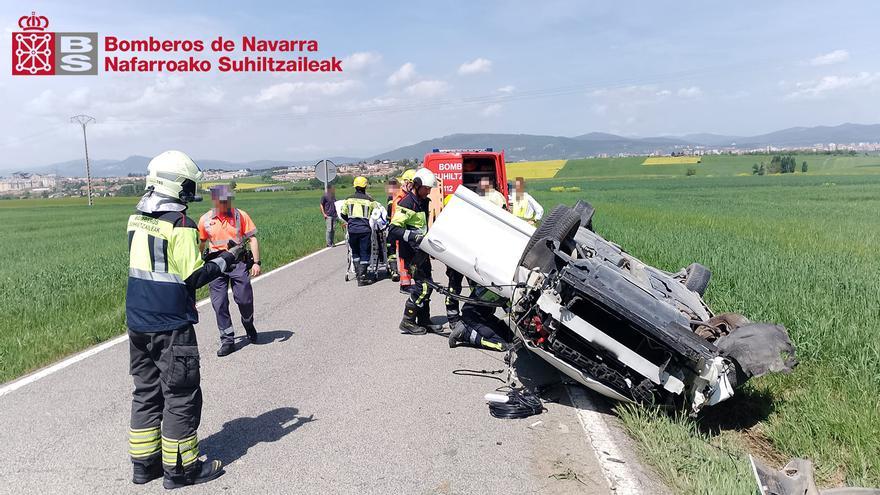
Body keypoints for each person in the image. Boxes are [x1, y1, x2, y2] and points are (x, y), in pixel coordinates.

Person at [126, 150, 235, 488]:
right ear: (177, 185)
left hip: (138, 320)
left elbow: (162, 264)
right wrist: (225, 261)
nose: (190, 192)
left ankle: (145, 465)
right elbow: (192, 277)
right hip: (171, 322)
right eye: (188, 186)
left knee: (146, 390)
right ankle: (182, 470)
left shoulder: (136, 218)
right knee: (180, 393)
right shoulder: (182, 224)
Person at [198, 185, 261, 357]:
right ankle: (227, 339)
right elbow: (201, 244)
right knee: (219, 303)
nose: (224, 205)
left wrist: (256, 262)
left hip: (237, 262)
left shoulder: (241, 216)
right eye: (221, 202)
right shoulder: (205, 220)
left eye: (227, 201)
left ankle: (248, 323)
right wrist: (197, 265)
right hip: (216, 265)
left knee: (245, 299)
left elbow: (252, 239)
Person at [388, 168, 443, 334]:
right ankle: (408, 321)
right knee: (423, 287)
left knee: (428, 285)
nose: (428, 191)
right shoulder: (407, 203)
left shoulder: (423, 202)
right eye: (426, 188)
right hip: (411, 253)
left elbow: (423, 226)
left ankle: (424, 320)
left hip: (421, 252)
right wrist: (413, 236)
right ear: (417, 185)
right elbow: (393, 230)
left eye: (430, 189)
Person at [341, 176, 382, 286]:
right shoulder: (370, 201)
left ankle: (358, 274)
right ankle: (362, 277)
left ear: (355, 186)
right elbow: (376, 214)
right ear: (365, 187)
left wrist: (350, 221)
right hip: (364, 230)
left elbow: (342, 214)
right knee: (365, 252)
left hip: (352, 229)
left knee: (355, 252)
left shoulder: (348, 199)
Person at [447, 284, 514, 352]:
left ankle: (467, 327)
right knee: (502, 344)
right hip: (473, 316)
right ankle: (465, 333)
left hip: (482, 314)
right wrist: (453, 320)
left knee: (509, 335)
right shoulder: (504, 285)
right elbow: (510, 308)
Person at [385, 179, 401, 282]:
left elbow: (389, 213)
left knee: (391, 249)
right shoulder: (405, 195)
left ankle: (394, 271)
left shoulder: (392, 198)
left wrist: (387, 221)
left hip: (394, 226)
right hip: (404, 227)